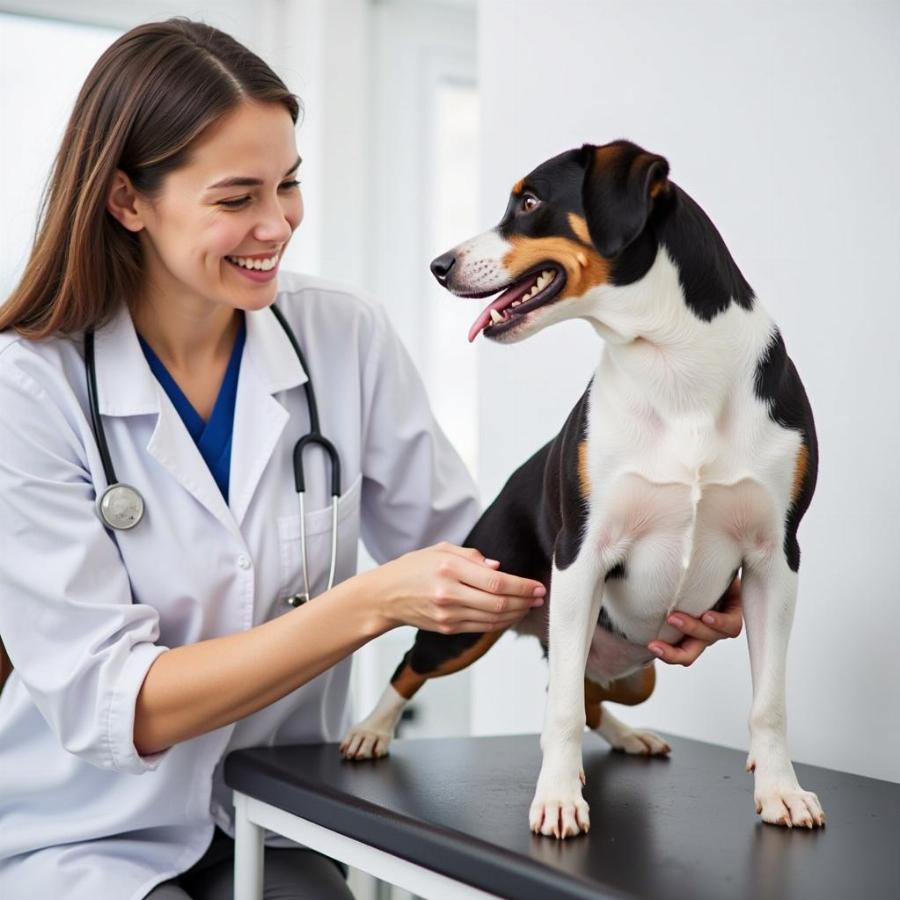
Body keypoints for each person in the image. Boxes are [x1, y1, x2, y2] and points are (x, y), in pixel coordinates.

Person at [0, 18, 742, 900]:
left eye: (290, 185)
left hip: (273, 818)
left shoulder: (339, 336)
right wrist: (370, 602)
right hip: (86, 835)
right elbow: (116, 704)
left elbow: (480, 565)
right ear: (128, 201)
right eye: (237, 199)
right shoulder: (30, 388)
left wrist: (642, 611)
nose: (277, 225)